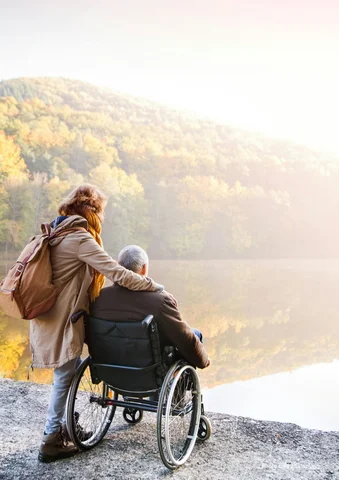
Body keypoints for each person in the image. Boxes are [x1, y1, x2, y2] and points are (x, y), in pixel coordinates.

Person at [34, 185, 163, 463]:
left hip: (49, 316)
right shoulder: (80, 238)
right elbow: (117, 272)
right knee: (64, 377)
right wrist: (153, 285)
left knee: (64, 375)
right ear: (91, 210)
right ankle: (51, 438)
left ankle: (64, 427)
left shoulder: (58, 231)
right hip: (65, 321)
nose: (102, 219)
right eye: (100, 212)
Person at [90, 244, 210, 369]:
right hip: (149, 371)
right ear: (144, 268)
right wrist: (204, 361)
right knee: (195, 334)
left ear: (118, 266)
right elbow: (184, 338)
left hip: (111, 368)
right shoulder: (160, 301)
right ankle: (182, 386)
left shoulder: (98, 298)